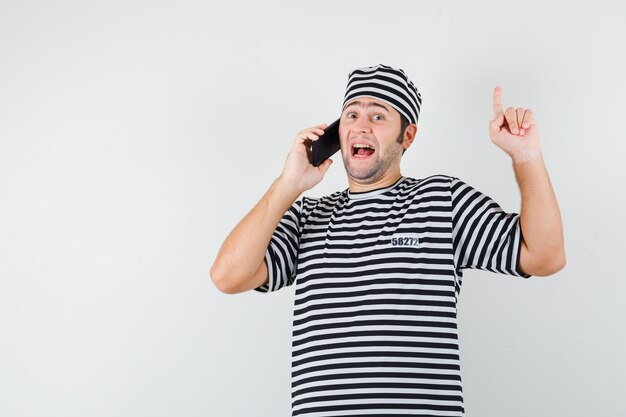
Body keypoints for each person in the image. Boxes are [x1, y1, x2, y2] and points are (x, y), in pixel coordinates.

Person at [210, 64, 566, 416]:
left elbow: (544, 257)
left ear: (407, 136)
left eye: (378, 117)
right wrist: (287, 184)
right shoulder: (307, 216)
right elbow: (228, 276)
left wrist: (526, 156)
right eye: (351, 115)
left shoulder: (442, 200)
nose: (360, 126)